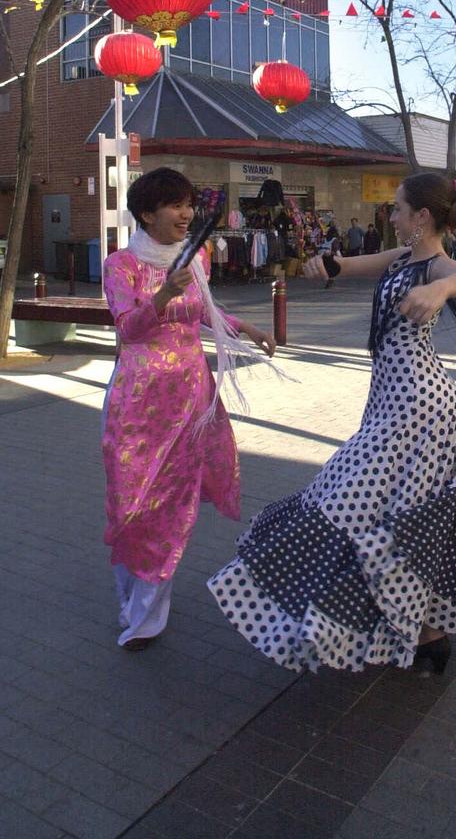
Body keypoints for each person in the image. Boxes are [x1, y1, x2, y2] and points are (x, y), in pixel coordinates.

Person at [207, 172, 456, 675]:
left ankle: (387, 626)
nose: (393, 214)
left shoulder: (436, 266)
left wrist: (444, 289)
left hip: (420, 411)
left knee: (350, 501)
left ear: (422, 218)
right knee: (412, 516)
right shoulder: (403, 257)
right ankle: (430, 632)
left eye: (399, 208)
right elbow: (351, 264)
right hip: (392, 405)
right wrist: (324, 263)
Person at [102, 167, 276, 651]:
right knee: (130, 504)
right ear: (146, 213)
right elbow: (128, 329)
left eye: (188, 205)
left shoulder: (196, 254)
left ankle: (146, 617)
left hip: (190, 400)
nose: (186, 214)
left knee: (171, 505)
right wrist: (163, 293)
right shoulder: (122, 265)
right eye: (175, 206)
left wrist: (249, 328)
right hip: (137, 403)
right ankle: (131, 598)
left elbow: (205, 314)